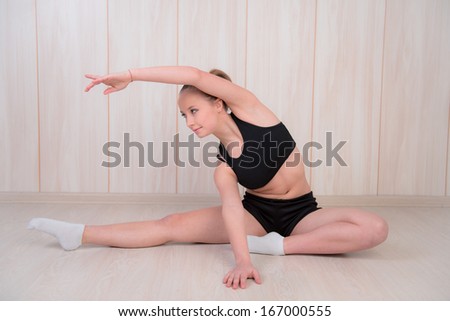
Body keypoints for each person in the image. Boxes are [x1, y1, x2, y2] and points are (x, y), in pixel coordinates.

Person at [28, 66, 388, 289]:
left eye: (193, 110)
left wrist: (132, 75)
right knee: (170, 224)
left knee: (374, 228)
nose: (189, 122)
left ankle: (279, 246)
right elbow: (233, 210)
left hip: (304, 213)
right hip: (257, 216)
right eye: (183, 115)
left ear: (219, 103)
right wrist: (242, 260)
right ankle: (79, 234)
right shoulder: (223, 166)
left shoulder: (253, 111)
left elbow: (195, 76)